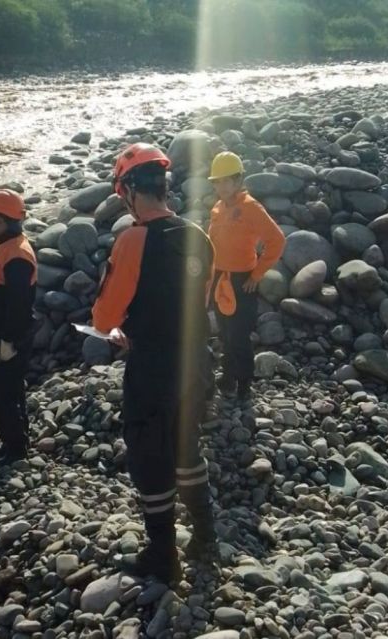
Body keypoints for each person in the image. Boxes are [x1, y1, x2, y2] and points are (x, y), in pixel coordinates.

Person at [91, 143, 218, 582]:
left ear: (127, 191)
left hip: (153, 369)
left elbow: (105, 318)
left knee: (150, 454)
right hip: (196, 363)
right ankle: (206, 535)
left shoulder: (132, 240)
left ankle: (164, 556)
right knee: (187, 445)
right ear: (164, 185)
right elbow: (197, 305)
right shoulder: (198, 235)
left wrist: (128, 331)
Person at [206, 151, 286, 402]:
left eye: (226, 180)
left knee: (239, 336)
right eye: (217, 182)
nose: (221, 186)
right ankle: (228, 377)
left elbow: (277, 241)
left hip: (243, 281)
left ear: (239, 179)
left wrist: (257, 274)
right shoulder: (218, 208)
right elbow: (212, 244)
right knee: (225, 333)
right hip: (220, 278)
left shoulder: (251, 207)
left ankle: (244, 385)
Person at [0, 189, 37, 464]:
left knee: (5, 394)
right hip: (1, 334)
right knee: (8, 390)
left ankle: (15, 449)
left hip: (10, 339)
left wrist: (9, 341)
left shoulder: (17, 257)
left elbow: (19, 304)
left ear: (1, 222)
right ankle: (16, 441)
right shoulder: (3, 241)